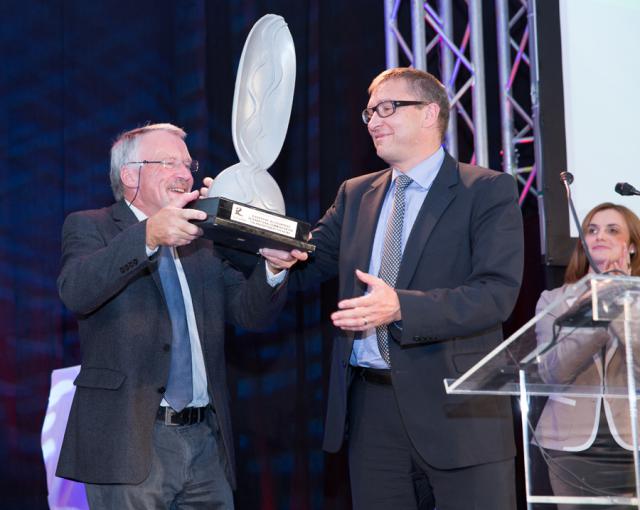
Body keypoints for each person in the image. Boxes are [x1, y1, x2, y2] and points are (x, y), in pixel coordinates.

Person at [256, 67, 524, 509]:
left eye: (388, 108)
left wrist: (401, 306)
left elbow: (495, 294)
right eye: (369, 112)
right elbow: (309, 259)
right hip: (371, 411)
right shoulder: (355, 193)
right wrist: (270, 248)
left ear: (429, 113)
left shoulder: (487, 190)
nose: (374, 121)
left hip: (457, 410)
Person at [55, 123, 305, 509]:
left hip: (204, 439)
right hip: (130, 441)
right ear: (129, 174)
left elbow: (248, 312)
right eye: (169, 162)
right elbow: (77, 291)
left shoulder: (202, 240)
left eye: (187, 164)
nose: (184, 173)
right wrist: (148, 237)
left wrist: (273, 270)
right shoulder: (92, 226)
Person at [535, 202, 640, 509]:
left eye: (612, 230)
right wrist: (595, 312)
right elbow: (553, 373)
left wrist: (620, 298)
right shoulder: (555, 300)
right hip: (569, 446)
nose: (599, 236)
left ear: (631, 246)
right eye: (592, 230)